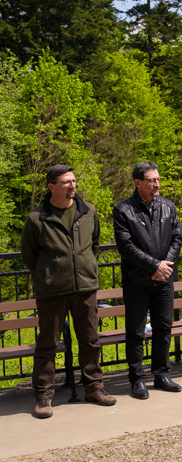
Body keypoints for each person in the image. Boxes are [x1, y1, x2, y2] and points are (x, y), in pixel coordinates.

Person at [20, 165, 116, 419]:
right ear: (52, 187)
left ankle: (94, 387)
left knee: (90, 340)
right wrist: (52, 273)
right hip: (52, 291)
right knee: (48, 344)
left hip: (85, 286)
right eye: (66, 182)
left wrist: (85, 267)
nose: (73, 186)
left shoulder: (88, 211)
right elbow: (29, 255)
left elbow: (94, 243)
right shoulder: (37, 218)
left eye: (74, 181)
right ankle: (43, 396)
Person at [114, 162, 182, 399]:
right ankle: (137, 379)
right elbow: (126, 247)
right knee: (135, 331)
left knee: (163, 328)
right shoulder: (123, 210)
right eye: (151, 180)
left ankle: (161, 374)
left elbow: (177, 238)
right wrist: (154, 266)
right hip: (137, 281)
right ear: (137, 183)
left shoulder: (167, 206)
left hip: (164, 279)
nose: (157, 184)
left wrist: (164, 267)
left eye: (158, 179)